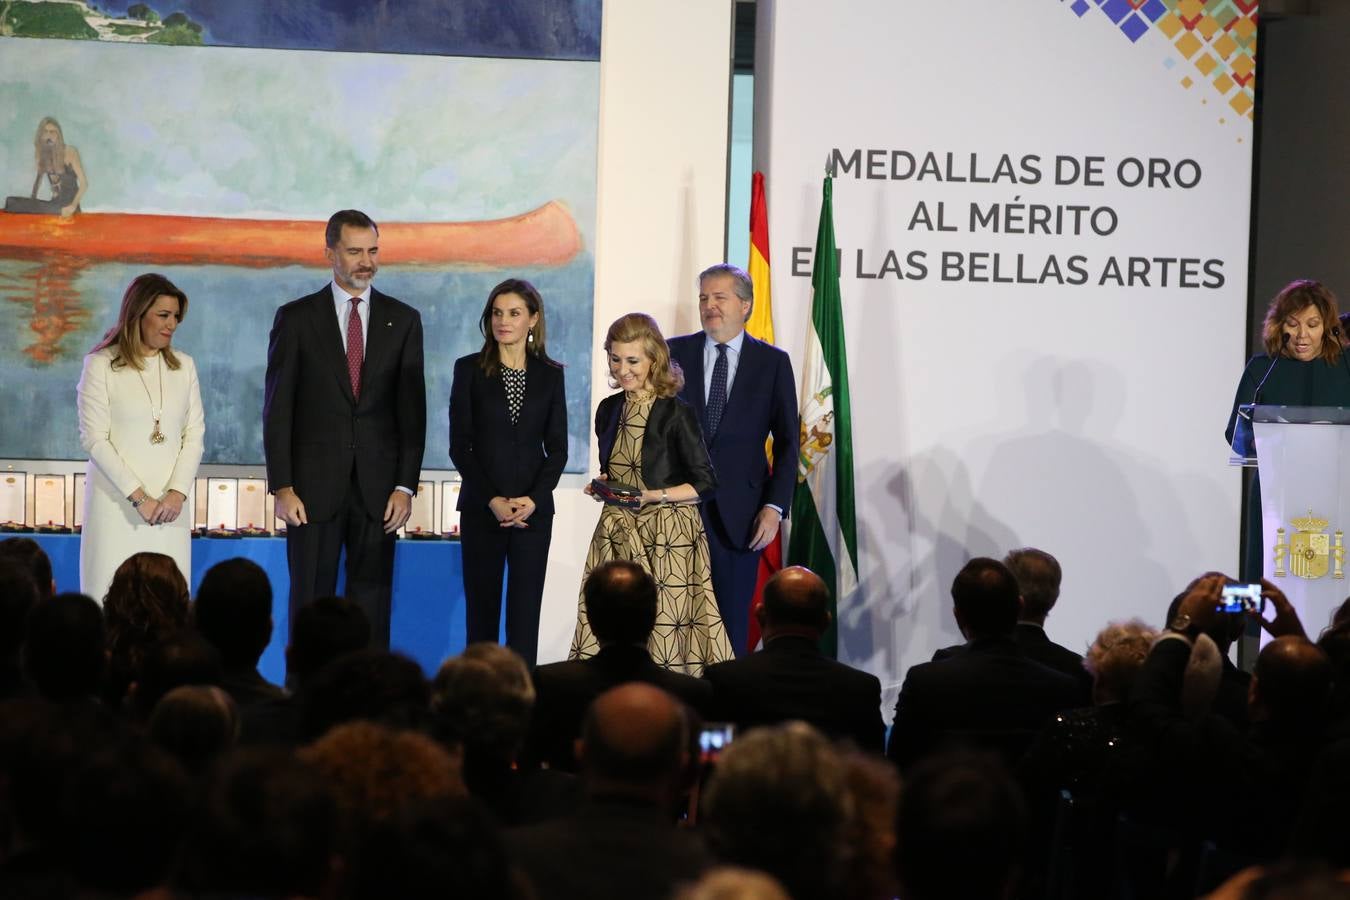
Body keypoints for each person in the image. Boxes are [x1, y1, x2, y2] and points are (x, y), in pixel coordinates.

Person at [263, 209, 427, 648]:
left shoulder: (403, 320)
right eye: (355, 251)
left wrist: (404, 487)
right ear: (330, 253)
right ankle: (305, 687)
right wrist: (283, 486)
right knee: (310, 607)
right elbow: (278, 409)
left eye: (373, 251)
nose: (366, 262)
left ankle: (368, 688)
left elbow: (412, 414)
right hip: (311, 491)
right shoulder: (296, 318)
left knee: (371, 610)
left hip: (379, 493)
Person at [571, 313, 733, 674]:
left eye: (632, 360)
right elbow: (616, 467)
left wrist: (652, 496)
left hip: (667, 535)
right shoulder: (608, 409)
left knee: (663, 631)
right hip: (616, 531)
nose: (622, 370)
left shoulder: (677, 412)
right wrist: (602, 486)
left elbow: (706, 483)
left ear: (653, 359)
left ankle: (666, 699)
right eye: (615, 359)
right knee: (608, 624)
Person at [668, 265, 798, 655]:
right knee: (673, 624)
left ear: (745, 305)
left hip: (741, 518)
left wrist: (774, 508)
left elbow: (788, 442)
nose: (709, 306)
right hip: (676, 513)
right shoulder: (672, 353)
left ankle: (725, 694)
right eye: (703, 298)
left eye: (719, 298)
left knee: (729, 631)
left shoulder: (772, 363)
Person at [449, 278, 567, 666]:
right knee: (480, 617)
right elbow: (460, 447)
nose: (503, 321)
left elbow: (558, 449)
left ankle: (524, 694)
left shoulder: (550, 374)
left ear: (533, 319)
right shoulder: (468, 369)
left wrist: (534, 499)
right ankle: (478, 694)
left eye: (514, 313)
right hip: (483, 509)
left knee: (524, 618)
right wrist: (493, 500)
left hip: (533, 513)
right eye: (497, 313)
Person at [77, 273, 205, 603]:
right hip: (115, 507)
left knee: (168, 603)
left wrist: (177, 494)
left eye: (175, 316)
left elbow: (194, 436)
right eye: (163, 315)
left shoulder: (184, 367)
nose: (172, 324)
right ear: (137, 313)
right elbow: (95, 440)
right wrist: (139, 498)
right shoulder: (100, 365)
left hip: (170, 510)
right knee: (108, 602)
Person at [886, 558, 1081, 771]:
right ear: (1019, 606)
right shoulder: (1063, 689)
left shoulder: (925, 682)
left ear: (958, 616)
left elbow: (898, 765)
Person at [529, 560, 714, 772]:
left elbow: (530, 767)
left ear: (590, 619)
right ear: (653, 617)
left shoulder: (551, 684)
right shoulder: (694, 694)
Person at [1225, 279, 1350, 580]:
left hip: (1337, 491)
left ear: (1328, 327)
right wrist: (1261, 442)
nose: (1302, 334)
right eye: (1293, 324)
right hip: (1276, 493)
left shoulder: (1346, 367)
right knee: (1273, 574)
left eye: (1313, 324)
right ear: (1279, 326)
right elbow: (1235, 432)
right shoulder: (1262, 369)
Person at [701, 565, 884, 753]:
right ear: (825, 622)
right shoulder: (861, 689)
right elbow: (875, 764)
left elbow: (710, 760)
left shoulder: (724, 681)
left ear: (761, 616)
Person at [4, 117, 87, 216]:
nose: (49, 135)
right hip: (54, 206)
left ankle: (61, 210)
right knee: (11, 202)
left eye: (52, 132)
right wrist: (32, 203)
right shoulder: (44, 154)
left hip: (68, 207)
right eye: (45, 132)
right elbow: (37, 182)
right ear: (41, 135)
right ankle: (57, 210)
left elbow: (84, 183)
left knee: (15, 204)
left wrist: (73, 206)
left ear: (58, 135)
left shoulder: (70, 151)